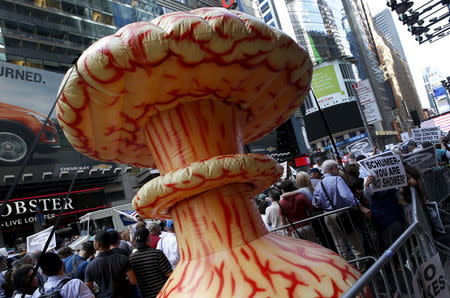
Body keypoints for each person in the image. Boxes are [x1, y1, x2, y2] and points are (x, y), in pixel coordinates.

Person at [313, 160, 370, 262]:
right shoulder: (337, 179)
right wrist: (361, 207)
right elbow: (347, 195)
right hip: (342, 214)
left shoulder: (319, 184)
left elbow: (316, 203)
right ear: (331, 169)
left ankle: (348, 268)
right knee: (355, 242)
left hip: (327, 215)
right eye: (336, 167)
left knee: (340, 244)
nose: (338, 170)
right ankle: (361, 268)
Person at [85, 231, 137, 298]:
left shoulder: (90, 266)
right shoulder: (122, 258)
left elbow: (88, 291)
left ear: (97, 244)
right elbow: (133, 281)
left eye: (94, 241)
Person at [364, 176, 404, 251]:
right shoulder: (368, 178)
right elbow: (368, 195)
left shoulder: (388, 175)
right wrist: (366, 185)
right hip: (382, 216)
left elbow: (398, 189)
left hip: (394, 213)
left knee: (398, 237)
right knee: (389, 241)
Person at [130, 228, 172, 298]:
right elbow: (169, 273)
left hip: (146, 294)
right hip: (164, 292)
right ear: (148, 239)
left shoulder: (131, 259)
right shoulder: (157, 253)